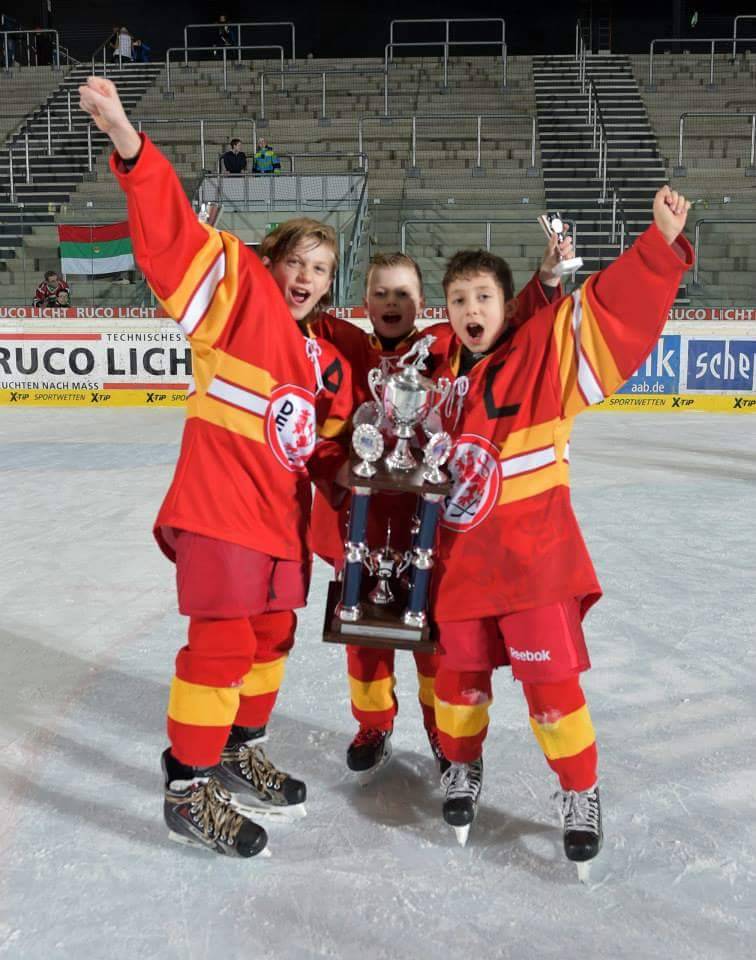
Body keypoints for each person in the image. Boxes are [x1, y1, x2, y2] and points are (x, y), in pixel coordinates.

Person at [78, 75, 353, 859]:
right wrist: (130, 143)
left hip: (278, 524)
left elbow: (329, 448)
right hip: (220, 508)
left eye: (322, 269)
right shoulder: (235, 294)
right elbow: (173, 243)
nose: (306, 277)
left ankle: (237, 748)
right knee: (224, 646)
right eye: (297, 260)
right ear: (273, 261)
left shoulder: (324, 361)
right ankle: (188, 787)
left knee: (272, 638)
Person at [424, 187, 692, 867]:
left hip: (532, 559)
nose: (469, 310)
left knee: (551, 691)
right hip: (460, 563)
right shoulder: (438, 376)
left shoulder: (543, 354)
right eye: (458, 300)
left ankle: (579, 789)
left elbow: (607, 312)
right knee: (457, 683)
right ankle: (460, 764)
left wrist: (656, 247)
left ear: (506, 305)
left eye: (483, 297)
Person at [310, 241, 573, 782]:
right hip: (360, 518)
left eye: (402, 293)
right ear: (362, 301)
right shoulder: (344, 344)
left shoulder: (444, 343)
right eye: (379, 292)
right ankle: (374, 722)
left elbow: (513, 323)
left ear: (423, 301)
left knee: (429, 635)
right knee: (362, 635)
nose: (391, 301)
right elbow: (296, 316)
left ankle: (438, 725)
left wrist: (546, 281)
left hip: (428, 520)